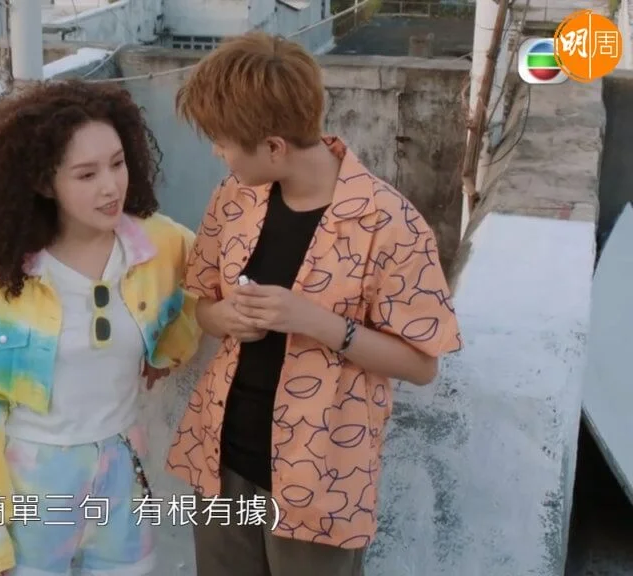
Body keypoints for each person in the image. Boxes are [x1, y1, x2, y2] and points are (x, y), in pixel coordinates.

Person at [167, 32, 463, 576]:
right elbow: (203, 304)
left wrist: (318, 323)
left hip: (322, 477)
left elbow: (422, 364)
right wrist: (224, 317)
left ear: (274, 147)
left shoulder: (390, 223)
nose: (217, 153)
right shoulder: (233, 198)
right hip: (222, 458)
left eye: (224, 143)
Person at [0, 79, 202, 576]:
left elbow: (202, 293)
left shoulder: (161, 245)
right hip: (36, 483)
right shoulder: (9, 279)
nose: (111, 186)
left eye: (117, 163)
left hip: (121, 473)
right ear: (45, 184)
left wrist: (167, 350)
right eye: (86, 174)